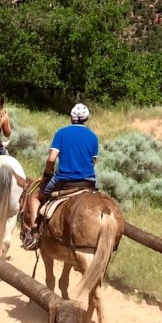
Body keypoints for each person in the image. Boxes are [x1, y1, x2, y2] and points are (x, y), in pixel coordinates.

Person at [22, 103, 98, 251]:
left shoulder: (61, 133)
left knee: (35, 197)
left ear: (71, 117)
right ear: (86, 118)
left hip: (64, 180)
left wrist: (46, 174)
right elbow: (93, 162)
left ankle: (35, 233)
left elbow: (51, 159)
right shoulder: (93, 137)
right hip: (88, 182)